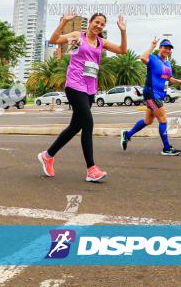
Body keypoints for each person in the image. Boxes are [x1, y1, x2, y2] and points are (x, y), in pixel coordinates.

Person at [37, 11, 127, 182]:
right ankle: (91, 169)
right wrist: (63, 22)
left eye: (102, 24)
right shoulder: (78, 36)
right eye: (97, 22)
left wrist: (123, 31)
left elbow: (122, 50)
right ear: (90, 22)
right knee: (88, 123)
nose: (99, 26)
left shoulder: (101, 42)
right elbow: (54, 40)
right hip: (74, 84)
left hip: (90, 88)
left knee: (75, 127)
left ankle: (47, 156)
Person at [121, 38, 181, 156]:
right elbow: (142, 58)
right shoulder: (153, 58)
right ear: (160, 48)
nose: (167, 50)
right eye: (165, 47)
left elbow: (168, 78)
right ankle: (166, 148)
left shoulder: (167, 63)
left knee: (148, 120)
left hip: (158, 95)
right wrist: (152, 46)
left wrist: (178, 81)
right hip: (151, 94)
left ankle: (127, 135)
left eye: (169, 48)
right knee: (163, 119)